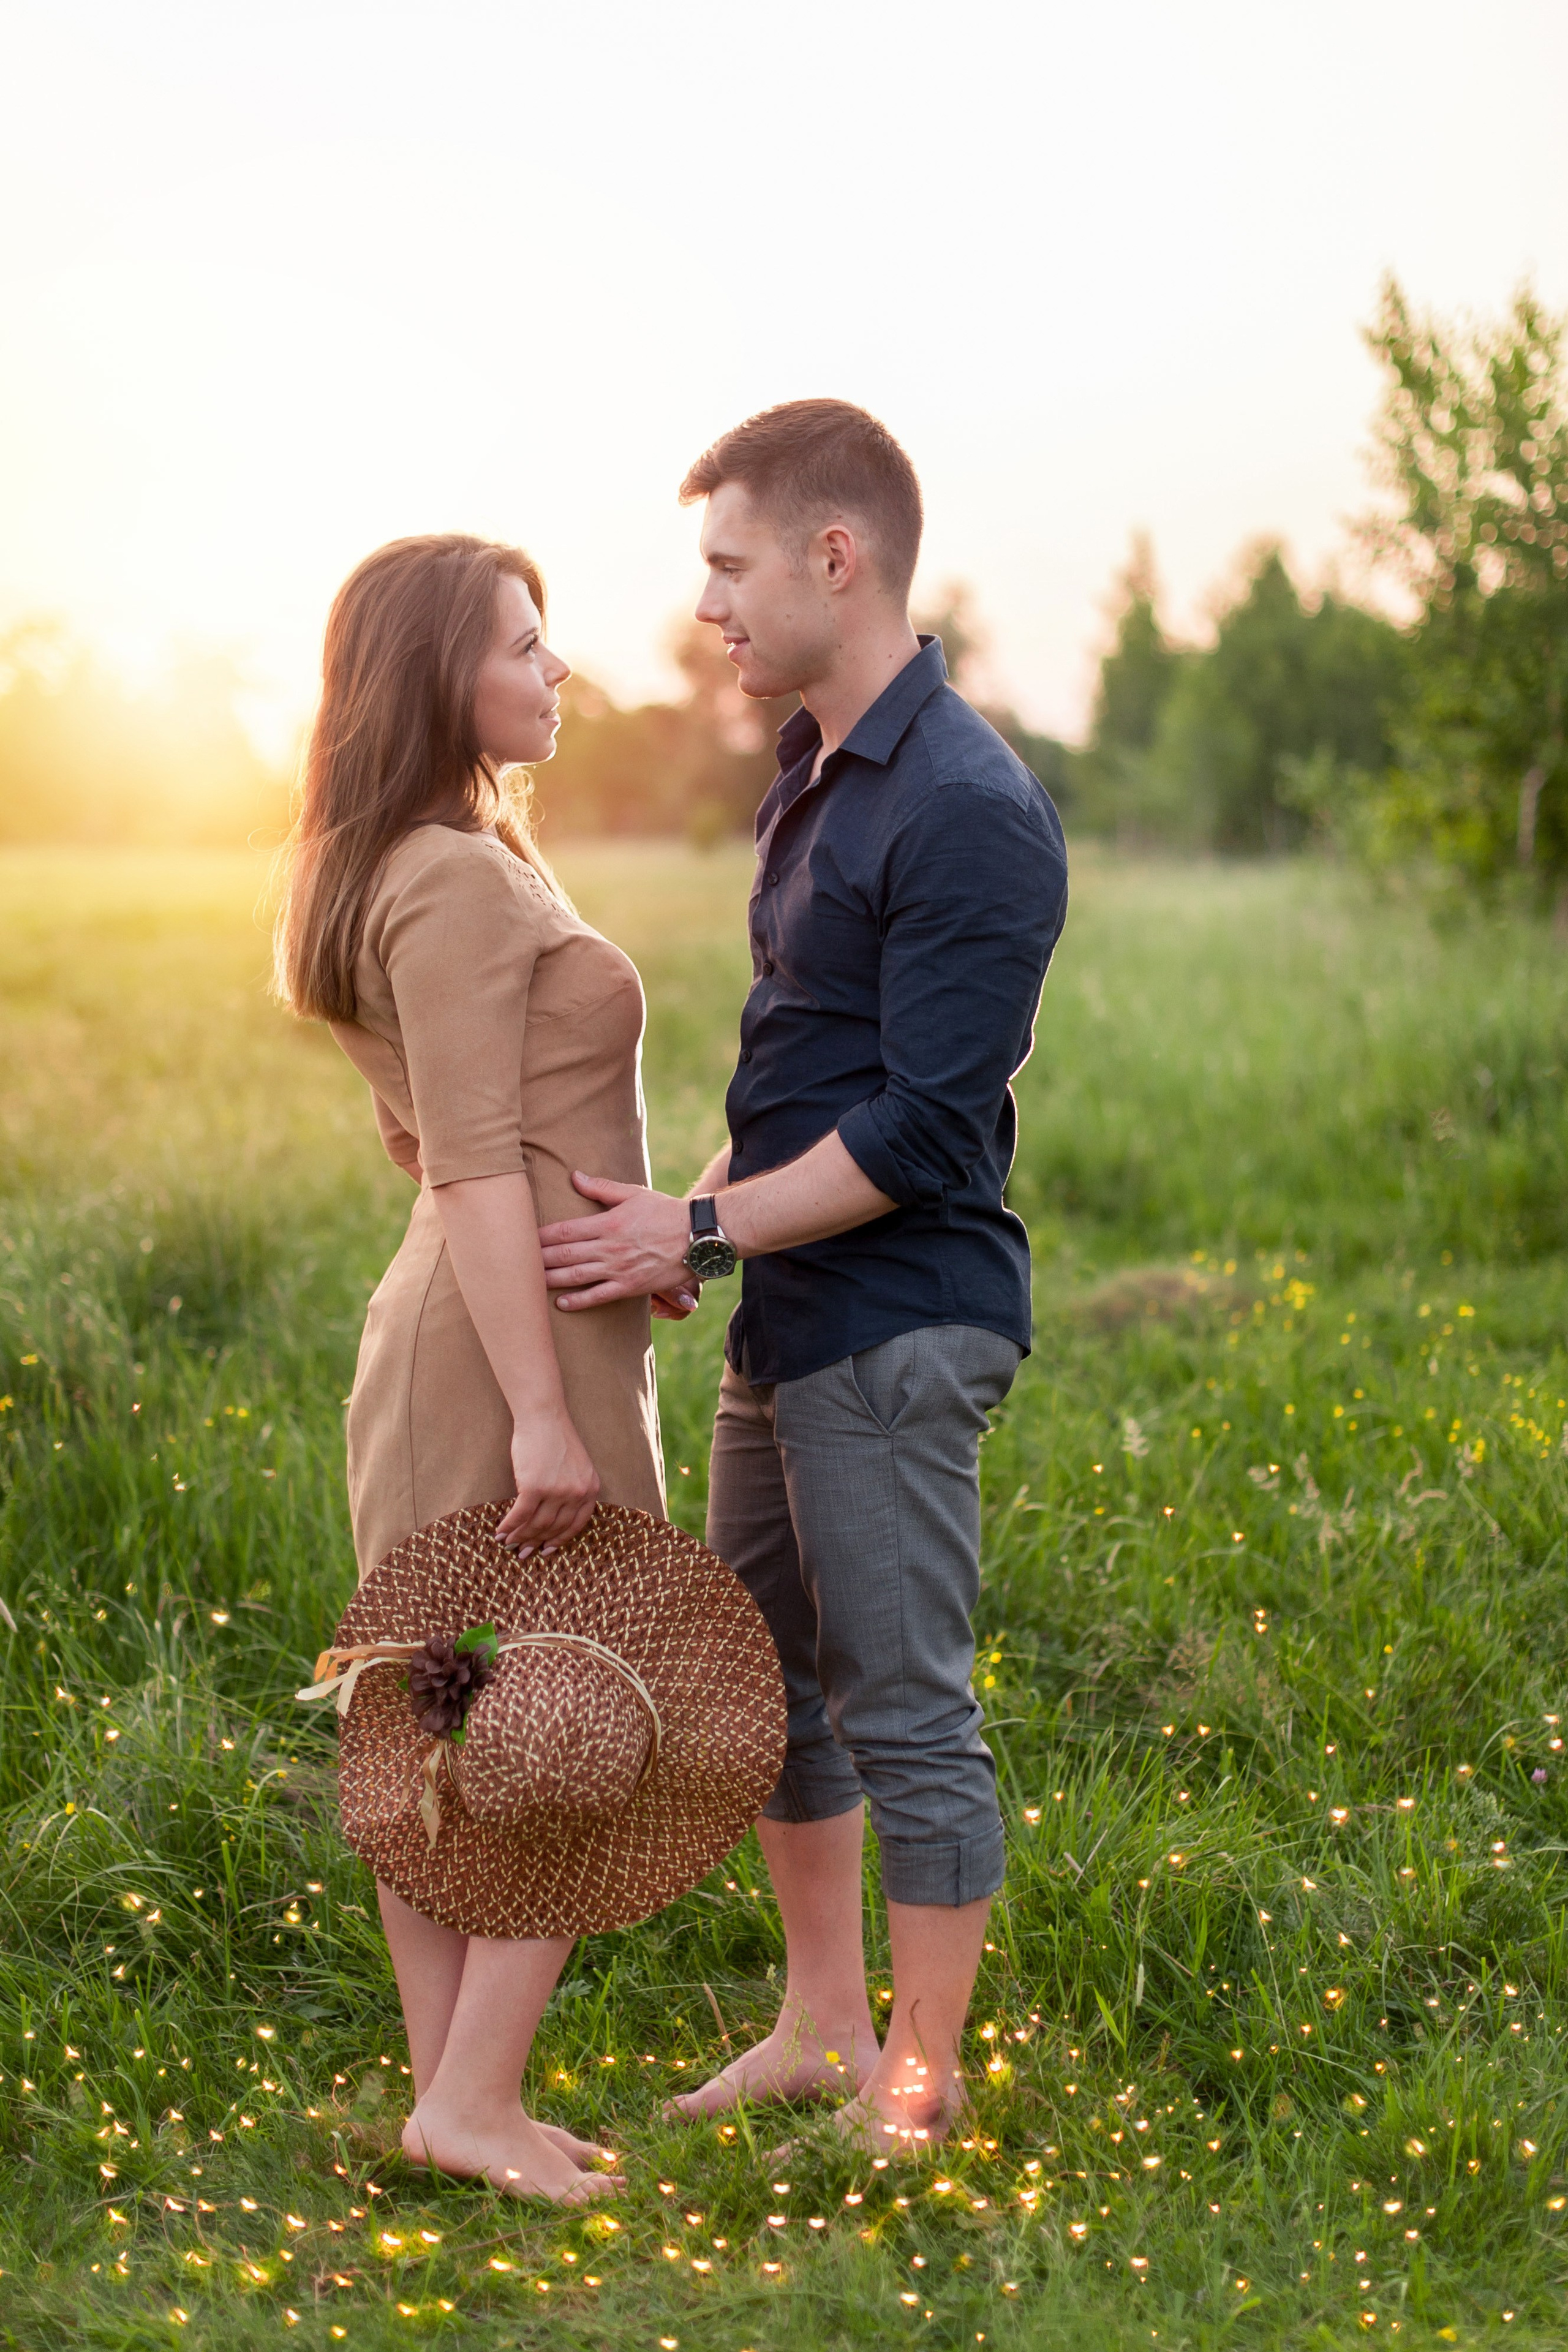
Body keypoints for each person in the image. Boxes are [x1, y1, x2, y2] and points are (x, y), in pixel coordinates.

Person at [538, 401, 1069, 2150]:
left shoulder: (974, 809)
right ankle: (825, 2029)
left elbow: (922, 1128)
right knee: (761, 1683)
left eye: (727, 564)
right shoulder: (814, 777)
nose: (707, 607)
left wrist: (694, 1231)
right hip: (791, 1316)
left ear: (835, 558)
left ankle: (917, 2092)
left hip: (902, 1326)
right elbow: (801, 1076)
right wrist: (697, 1213)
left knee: (904, 1704)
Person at [276, 532, 681, 2201]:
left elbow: (431, 1132)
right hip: (499, 1349)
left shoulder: (440, 856)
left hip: (507, 1312)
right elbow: (453, 1158)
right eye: (523, 643)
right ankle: (472, 2097)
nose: (555, 668)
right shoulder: (444, 874)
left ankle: (456, 2100)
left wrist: (620, 1234)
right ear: (439, 672)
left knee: (439, 1704)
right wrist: (538, 1404)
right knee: (598, 1698)